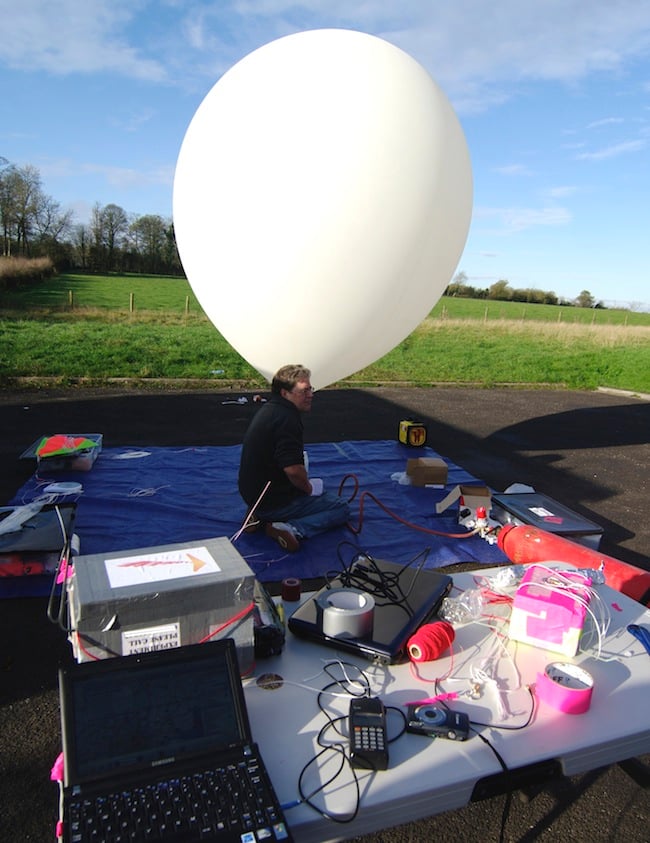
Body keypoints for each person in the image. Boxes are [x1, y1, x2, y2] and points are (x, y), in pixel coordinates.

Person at [238, 364, 351, 552]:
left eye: (310, 389)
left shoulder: (271, 410)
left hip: (254, 494)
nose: (310, 394)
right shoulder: (288, 421)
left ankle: (259, 513)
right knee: (340, 508)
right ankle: (290, 528)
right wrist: (307, 488)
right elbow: (293, 470)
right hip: (273, 500)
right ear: (285, 393)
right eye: (304, 390)